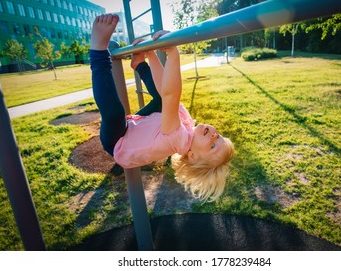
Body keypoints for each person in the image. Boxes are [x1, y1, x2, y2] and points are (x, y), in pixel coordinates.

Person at [90, 14, 234, 202]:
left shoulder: (177, 139)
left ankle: (98, 50)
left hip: (118, 142)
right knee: (160, 100)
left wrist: (173, 53)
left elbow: (171, 94)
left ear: (191, 156)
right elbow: (163, 92)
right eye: (220, 136)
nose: (215, 136)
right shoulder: (188, 126)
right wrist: (150, 54)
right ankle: (139, 64)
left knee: (115, 113)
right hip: (134, 129)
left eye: (213, 146)